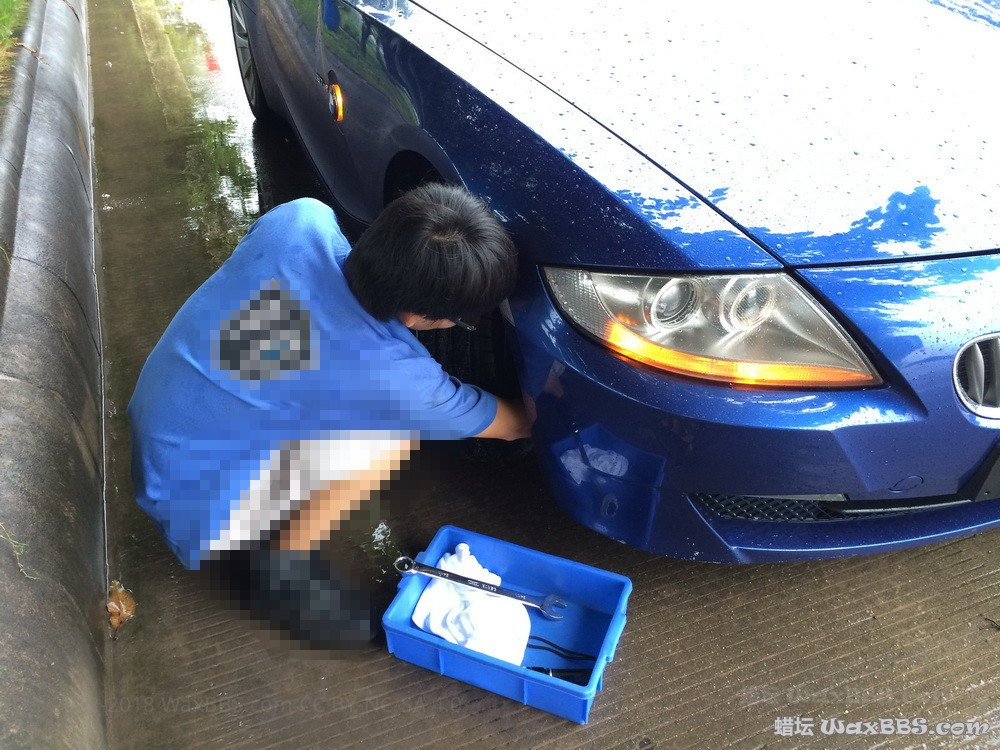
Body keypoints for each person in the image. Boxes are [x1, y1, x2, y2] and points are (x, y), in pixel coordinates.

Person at [128, 184, 531, 649]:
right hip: (198, 517)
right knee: (391, 441)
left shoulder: (300, 219)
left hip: (159, 432)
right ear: (418, 316)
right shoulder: (394, 376)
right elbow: (515, 425)